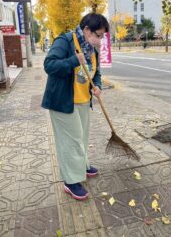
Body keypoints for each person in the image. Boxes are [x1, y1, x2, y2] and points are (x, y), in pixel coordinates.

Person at [41, 13, 109, 200]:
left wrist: (97, 86)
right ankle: (71, 182)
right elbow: (49, 65)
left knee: (82, 137)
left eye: (102, 36)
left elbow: (96, 73)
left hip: (83, 101)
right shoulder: (65, 41)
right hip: (63, 102)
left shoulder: (91, 48)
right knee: (71, 142)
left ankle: (82, 166)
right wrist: (73, 61)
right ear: (86, 30)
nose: (100, 39)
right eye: (98, 34)